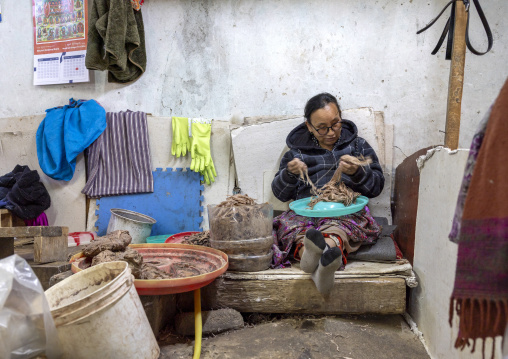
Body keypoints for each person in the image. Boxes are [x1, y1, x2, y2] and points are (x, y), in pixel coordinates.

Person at [271, 92, 384, 296]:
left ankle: (317, 258)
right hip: (305, 213)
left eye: (335, 123)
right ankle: (317, 262)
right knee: (297, 230)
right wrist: (289, 173)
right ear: (309, 126)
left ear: (341, 116)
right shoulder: (296, 153)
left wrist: (358, 172)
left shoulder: (358, 146)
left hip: (346, 212)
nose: (331, 132)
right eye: (322, 128)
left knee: (337, 229)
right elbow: (280, 194)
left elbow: (376, 187)